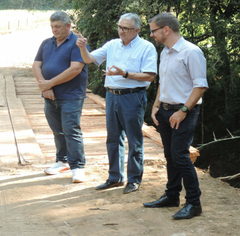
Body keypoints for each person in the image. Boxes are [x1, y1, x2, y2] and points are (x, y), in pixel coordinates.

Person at [76, 13, 157, 194]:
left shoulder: (146, 47)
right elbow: (89, 59)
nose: (121, 31)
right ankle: (115, 177)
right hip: (112, 95)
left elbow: (150, 76)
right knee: (113, 138)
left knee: (134, 139)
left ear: (137, 30)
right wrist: (82, 47)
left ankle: (134, 179)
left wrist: (125, 74)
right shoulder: (112, 45)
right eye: (120, 27)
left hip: (133, 96)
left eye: (126, 28)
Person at [143, 12, 208, 220]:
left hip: (184, 111)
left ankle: (194, 203)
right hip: (165, 110)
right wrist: (156, 105)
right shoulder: (165, 52)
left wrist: (183, 111)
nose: (152, 35)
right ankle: (172, 196)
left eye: (153, 31)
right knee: (170, 156)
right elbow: (163, 81)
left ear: (166, 29)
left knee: (180, 156)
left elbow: (200, 86)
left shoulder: (191, 52)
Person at [32, 11, 88, 183]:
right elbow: (36, 65)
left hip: (71, 95)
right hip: (50, 95)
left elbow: (75, 69)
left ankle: (78, 167)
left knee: (71, 130)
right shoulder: (46, 43)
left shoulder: (77, 43)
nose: (54, 30)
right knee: (57, 130)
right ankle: (62, 161)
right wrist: (44, 84)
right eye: (52, 27)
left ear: (68, 26)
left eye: (57, 27)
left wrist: (50, 83)